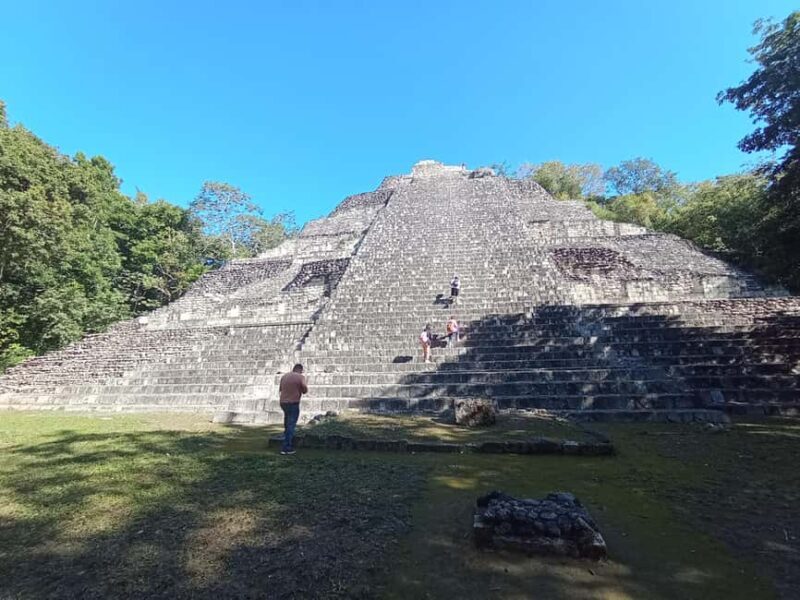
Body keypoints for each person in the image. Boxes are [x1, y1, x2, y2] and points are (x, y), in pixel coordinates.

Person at [278, 363, 308, 455]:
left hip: (283, 402)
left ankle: (285, 442)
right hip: (293, 403)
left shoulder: (284, 376)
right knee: (291, 425)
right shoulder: (300, 377)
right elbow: (305, 390)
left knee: (287, 423)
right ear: (300, 370)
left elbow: (280, 389)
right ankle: (287, 447)